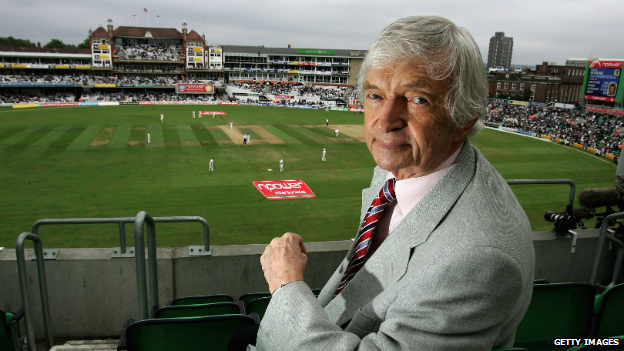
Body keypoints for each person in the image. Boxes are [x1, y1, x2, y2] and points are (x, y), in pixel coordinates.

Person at [243, 15, 535, 351]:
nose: (384, 122)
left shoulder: (479, 261)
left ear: (464, 120)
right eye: (375, 96)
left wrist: (286, 286)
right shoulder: (401, 164)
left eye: (417, 99)